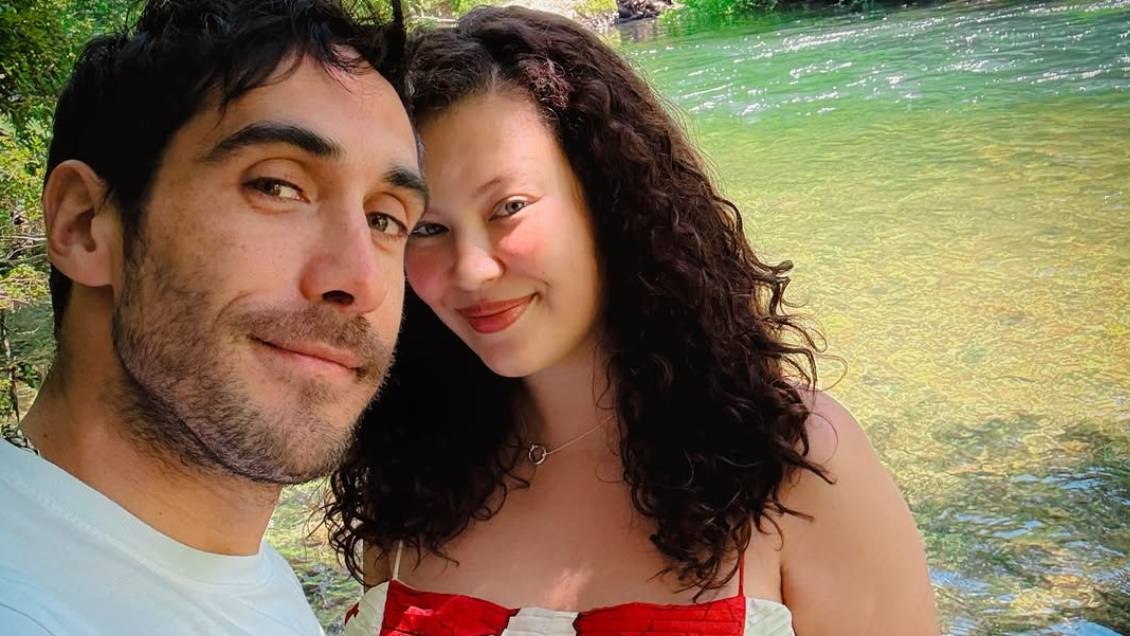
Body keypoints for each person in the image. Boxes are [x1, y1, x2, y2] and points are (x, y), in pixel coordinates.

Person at [326, 6, 939, 635]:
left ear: (608, 201)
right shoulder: (409, 471)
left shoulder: (792, 462)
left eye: (508, 207)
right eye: (427, 229)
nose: (473, 270)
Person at [0, 0, 425, 633]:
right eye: (276, 186)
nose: (361, 281)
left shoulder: (252, 584)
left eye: (385, 219)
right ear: (85, 224)